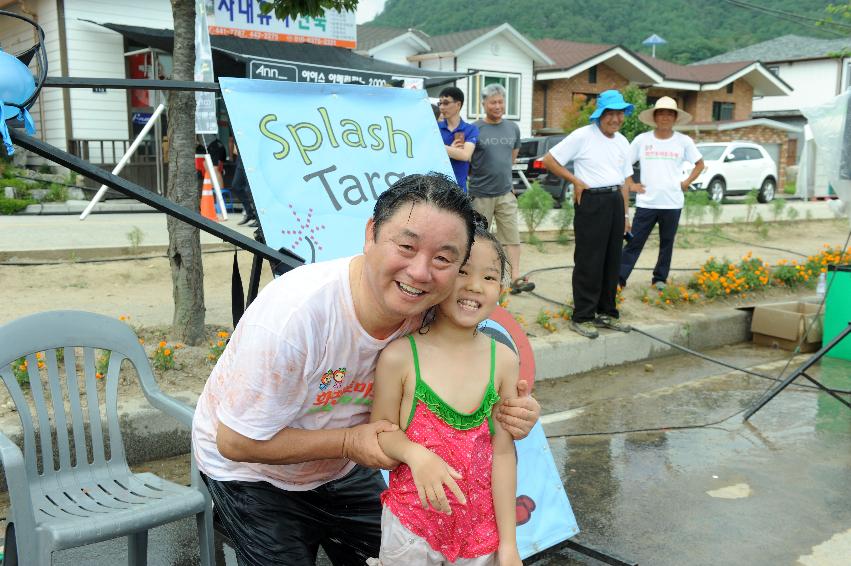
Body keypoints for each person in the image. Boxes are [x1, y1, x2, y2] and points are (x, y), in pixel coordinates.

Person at [191, 173, 541, 566]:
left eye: (444, 258)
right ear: (371, 233)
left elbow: (475, 382)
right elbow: (235, 442)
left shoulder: (430, 309)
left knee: (408, 547)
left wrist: (515, 413)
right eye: (406, 246)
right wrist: (348, 443)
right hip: (253, 474)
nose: (421, 272)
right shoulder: (294, 319)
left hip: (341, 467)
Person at [368, 220, 522, 565]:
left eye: (489, 277)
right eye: (463, 272)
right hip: (412, 530)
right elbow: (380, 431)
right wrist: (415, 454)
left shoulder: (505, 362)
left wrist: (509, 544)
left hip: (480, 536)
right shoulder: (400, 356)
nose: (475, 287)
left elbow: (503, 454)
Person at [542, 90, 637, 339]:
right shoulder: (583, 136)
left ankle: (607, 312)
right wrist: (575, 180)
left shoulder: (622, 141)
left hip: (615, 200)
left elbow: (625, 182)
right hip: (592, 200)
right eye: (611, 114)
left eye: (619, 114)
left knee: (612, 259)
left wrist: (626, 216)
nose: (615, 119)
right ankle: (583, 315)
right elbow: (550, 160)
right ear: (600, 115)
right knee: (589, 260)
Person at [619, 97, 704, 290]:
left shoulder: (683, 141)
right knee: (634, 242)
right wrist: (631, 184)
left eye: (669, 114)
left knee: (667, 243)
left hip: (672, 203)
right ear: (655, 117)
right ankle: (619, 278)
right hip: (646, 203)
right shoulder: (642, 140)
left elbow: (700, 164)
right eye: (661, 113)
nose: (665, 117)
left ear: (675, 118)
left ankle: (659, 279)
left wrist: (686, 182)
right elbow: (624, 165)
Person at [469, 83, 534, 296]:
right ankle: (479, 277)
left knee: (512, 237)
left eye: (500, 102)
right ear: (484, 104)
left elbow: (511, 158)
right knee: (479, 238)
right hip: (480, 194)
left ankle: (515, 277)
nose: (497, 106)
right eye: (493, 102)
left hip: (506, 192)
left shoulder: (513, 128)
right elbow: (468, 162)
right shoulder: (475, 128)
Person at [437, 86, 479, 191]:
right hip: (437, 189)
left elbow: (465, 155)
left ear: (458, 104)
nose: (441, 107)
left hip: (459, 190)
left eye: (446, 103)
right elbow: (429, 153)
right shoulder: (435, 128)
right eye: (440, 103)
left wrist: (441, 148)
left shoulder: (470, 129)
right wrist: (452, 150)